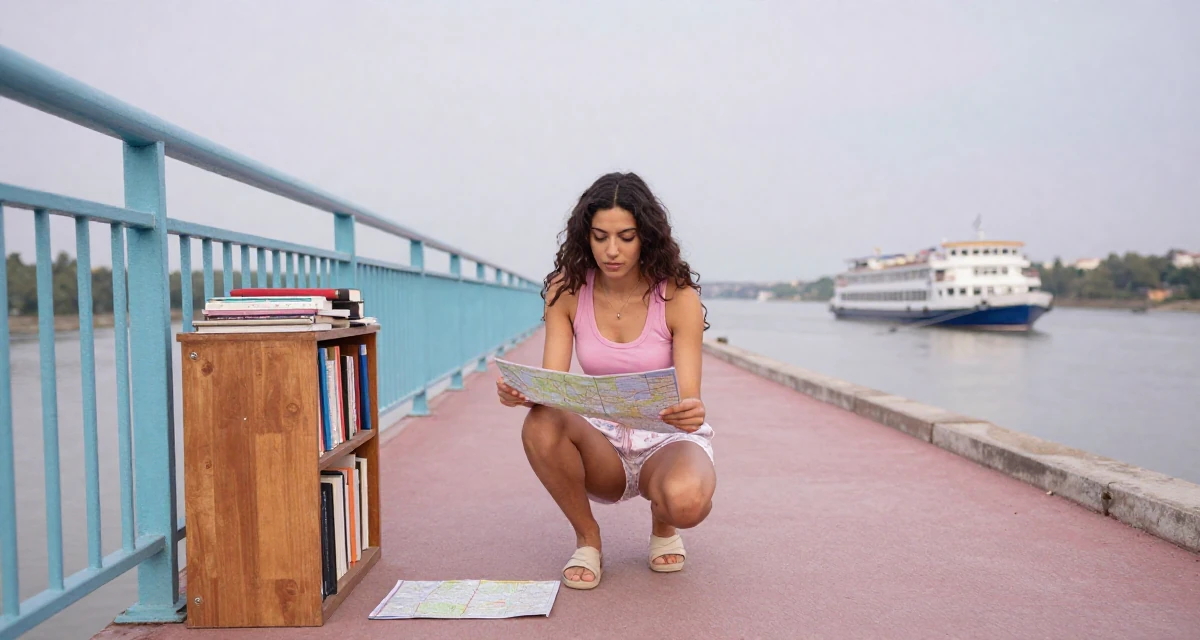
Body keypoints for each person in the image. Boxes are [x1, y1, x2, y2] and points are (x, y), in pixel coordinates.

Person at [496, 172, 716, 590]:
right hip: (602, 447)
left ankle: (664, 523)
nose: (611, 250)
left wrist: (692, 409)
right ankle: (587, 538)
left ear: (646, 237)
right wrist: (523, 395)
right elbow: (554, 386)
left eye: (626, 237)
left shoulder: (678, 295)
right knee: (542, 420)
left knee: (688, 502)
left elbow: (688, 396)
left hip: (665, 441)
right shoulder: (566, 291)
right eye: (599, 237)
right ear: (585, 236)